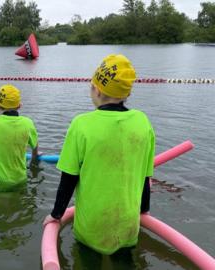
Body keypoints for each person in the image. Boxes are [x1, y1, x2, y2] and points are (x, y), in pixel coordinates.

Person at [43, 54, 155, 255]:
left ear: (96, 88)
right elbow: (146, 177)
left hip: (91, 226)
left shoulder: (81, 124)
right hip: (128, 224)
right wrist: (144, 211)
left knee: (86, 262)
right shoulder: (142, 122)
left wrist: (56, 214)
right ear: (127, 93)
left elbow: (68, 178)